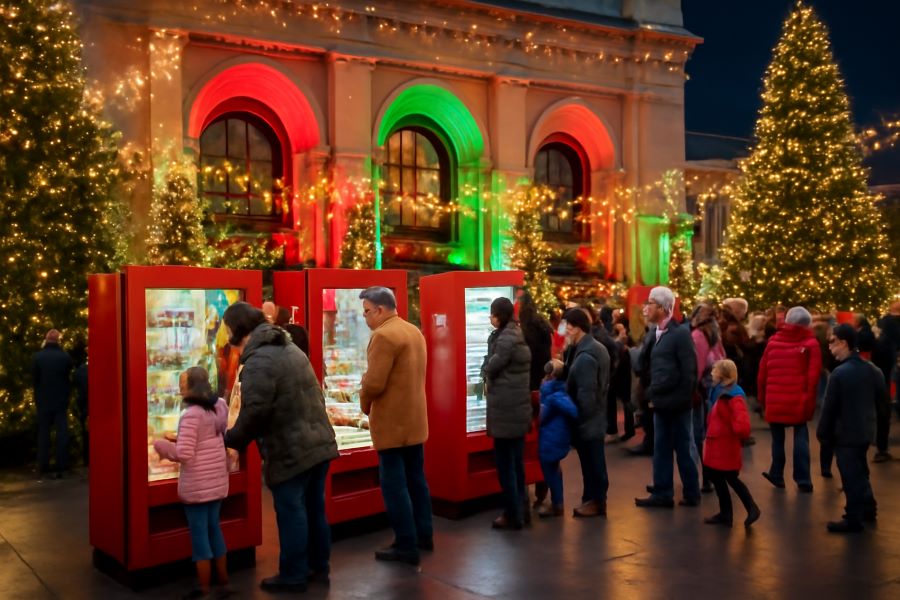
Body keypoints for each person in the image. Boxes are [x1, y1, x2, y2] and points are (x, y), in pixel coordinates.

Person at [223, 302, 338, 593]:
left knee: (291, 512)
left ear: (238, 330)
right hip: (318, 442)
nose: (226, 339)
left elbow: (255, 412)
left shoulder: (260, 360)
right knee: (314, 509)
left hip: (291, 449)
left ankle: (294, 574)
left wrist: (229, 439)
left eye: (227, 331)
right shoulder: (287, 347)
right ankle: (318, 567)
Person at [358, 287, 433, 563]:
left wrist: (363, 401)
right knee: (417, 480)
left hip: (392, 423)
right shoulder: (413, 331)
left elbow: (375, 383)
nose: (365, 317)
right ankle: (424, 535)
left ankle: (405, 544)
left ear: (380, 310)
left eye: (367, 311)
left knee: (394, 486)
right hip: (415, 421)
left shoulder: (383, 336)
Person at [153, 367, 230, 599]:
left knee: (199, 536)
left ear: (192, 387)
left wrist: (161, 445)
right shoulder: (220, 406)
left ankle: (204, 588)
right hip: (217, 480)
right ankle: (223, 582)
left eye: (182, 385)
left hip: (197, 485)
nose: (179, 389)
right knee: (214, 528)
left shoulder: (191, 414)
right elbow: (212, 437)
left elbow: (184, 454)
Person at [817, 324, 888, 533]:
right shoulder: (873, 370)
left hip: (845, 433)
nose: (829, 347)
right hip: (865, 430)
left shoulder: (839, 374)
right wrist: (880, 437)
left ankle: (853, 517)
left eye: (832, 341)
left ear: (843, 343)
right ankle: (868, 508)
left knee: (851, 475)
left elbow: (829, 408)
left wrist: (823, 434)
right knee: (860, 471)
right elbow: (883, 406)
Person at [634, 286, 700, 509]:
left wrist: (681, 400)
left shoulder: (680, 334)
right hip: (661, 401)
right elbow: (647, 365)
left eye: (651, 303)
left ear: (663, 308)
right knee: (661, 448)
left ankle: (691, 492)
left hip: (677, 404)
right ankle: (663, 491)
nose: (646, 307)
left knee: (683, 449)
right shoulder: (655, 333)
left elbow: (689, 372)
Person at [757, 306, 821, 493]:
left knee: (777, 438)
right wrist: (810, 402)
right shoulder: (811, 343)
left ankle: (777, 473)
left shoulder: (773, 342)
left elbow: (762, 373)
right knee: (800, 435)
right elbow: (813, 377)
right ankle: (803, 479)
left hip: (774, 398)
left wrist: (762, 399)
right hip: (798, 398)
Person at [483, 297, 533, 529]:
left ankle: (512, 514)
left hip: (505, 412)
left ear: (499, 316)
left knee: (505, 467)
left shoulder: (505, 339)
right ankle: (522, 509)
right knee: (517, 464)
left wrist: (485, 371)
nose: (490, 318)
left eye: (493, 314)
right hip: (518, 410)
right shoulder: (517, 333)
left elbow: (493, 366)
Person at [562, 307, 610, 517]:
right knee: (592, 462)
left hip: (588, 420)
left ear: (576, 328)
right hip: (596, 416)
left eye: (567, 326)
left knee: (592, 463)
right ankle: (590, 498)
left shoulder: (585, 357)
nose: (565, 331)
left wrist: (577, 418)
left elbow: (586, 395)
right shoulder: (594, 348)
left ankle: (596, 501)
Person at [702, 360, 760, 528]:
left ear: (723, 374)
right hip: (719, 444)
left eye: (715, 370)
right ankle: (728, 513)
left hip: (725, 445)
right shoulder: (720, 391)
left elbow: (742, 425)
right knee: (720, 477)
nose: (712, 373)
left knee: (728, 478)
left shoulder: (732, 395)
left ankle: (748, 508)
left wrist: (736, 430)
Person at [517, 292, 553, 509]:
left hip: (527, 390)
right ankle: (543, 488)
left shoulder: (523, 330)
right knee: (543, 440)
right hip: (542, 388)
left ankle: (526, 491)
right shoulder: (543, 326)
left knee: (526, 445)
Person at [690, 302, 726, 493]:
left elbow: (698, 364)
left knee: (698, 435)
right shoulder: (715, 333)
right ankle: (713, 475)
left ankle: (703, 478)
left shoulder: (698, 335)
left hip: (702, 389)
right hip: (716, 387)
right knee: (711, 433)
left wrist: (691, 387)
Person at [536, 359, 579, 517]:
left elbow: (542, 418)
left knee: (550, 473)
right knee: (556, 470)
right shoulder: (562, 394)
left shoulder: (550, 397)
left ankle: (557, 504)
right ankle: (557, 502)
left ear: (551, 376)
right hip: (560, 438)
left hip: (549, 439)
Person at [32, 329, 73, 478]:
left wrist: (38, 396)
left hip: (43, 400)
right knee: (62, 432)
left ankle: (43, 464)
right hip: (60, 399)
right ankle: (62, 463)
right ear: (58, 341)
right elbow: (68, 376)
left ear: (46, 339)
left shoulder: (38, 357)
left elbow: (35, 380)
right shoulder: (65, 357)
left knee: (44, 433)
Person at [70, 339, 89, 467]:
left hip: (86, 407)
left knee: (87, 434)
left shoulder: (81, 371)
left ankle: (87, 459)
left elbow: (80, 390)